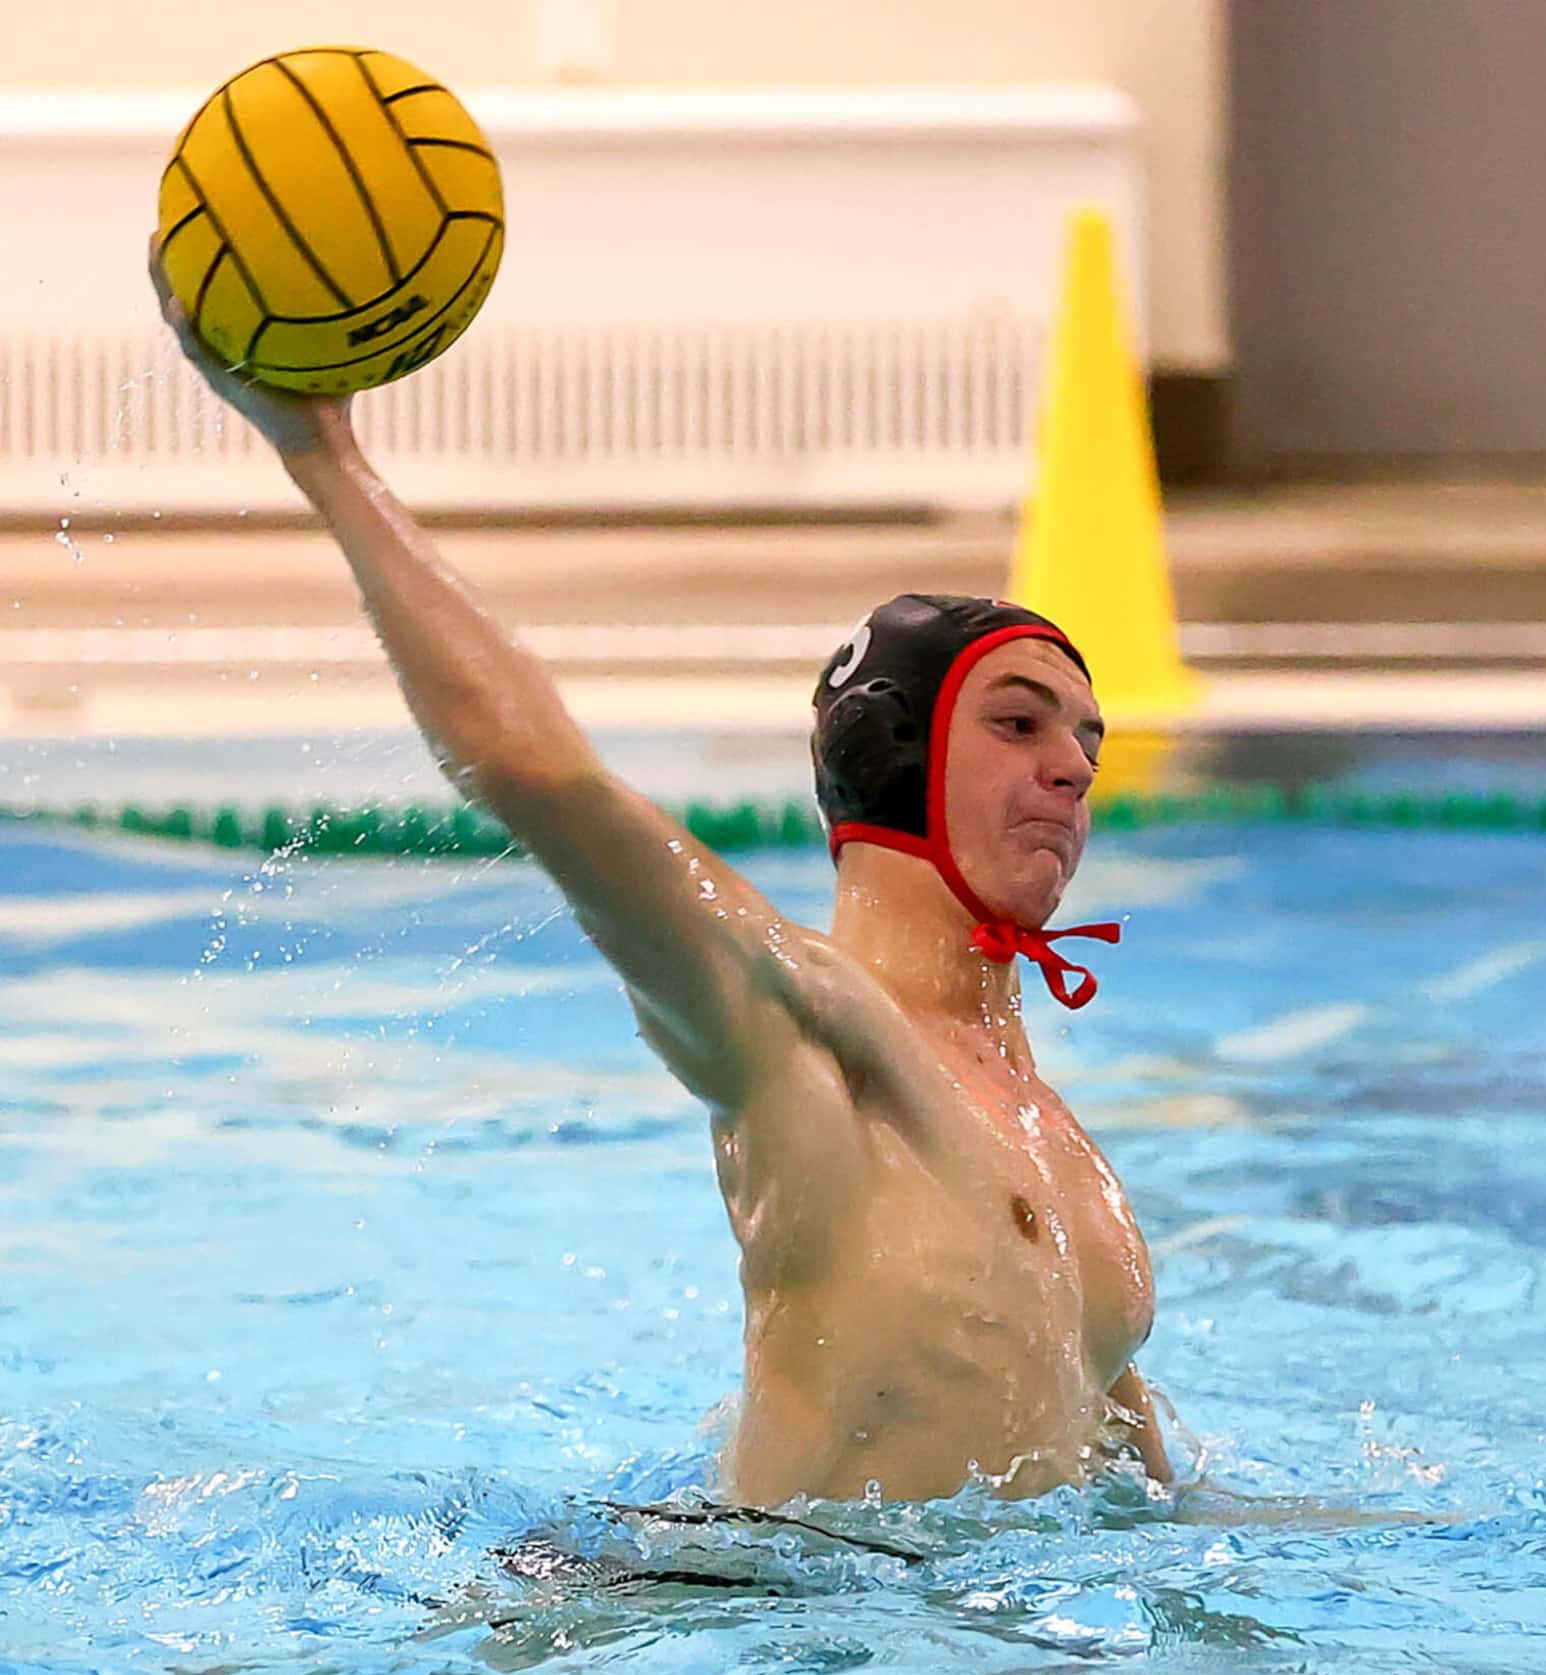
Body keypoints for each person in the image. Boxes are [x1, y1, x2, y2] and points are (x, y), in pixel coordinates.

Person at [151, 249, 1168, 1506]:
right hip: (759, 1620)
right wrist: (321, 456)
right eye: (1018, 725)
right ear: (891, 757)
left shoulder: (1051, 1128)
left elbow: (1137, 1480)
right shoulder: (801, 1026)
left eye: (1087, 738)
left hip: (993, 1649)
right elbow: (538, 775)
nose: (1072, 767)